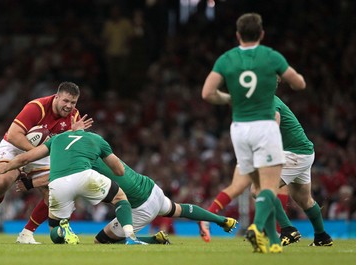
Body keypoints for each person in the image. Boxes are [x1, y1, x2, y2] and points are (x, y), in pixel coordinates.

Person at [201, 13, 306, 253]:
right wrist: (291, 78)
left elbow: (207, 93)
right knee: (268, 187)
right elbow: (299, 83)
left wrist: (229, 98)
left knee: (248, 186)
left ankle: (272, 242)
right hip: (264, 127)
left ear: (237, 35)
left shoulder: (226, 59)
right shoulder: (271, 57)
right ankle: (257, 228)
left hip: (239, 129)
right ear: (262, 34)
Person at [199, 95, 333, 247]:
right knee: (304, 199)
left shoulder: (266, 101)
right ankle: (322, 236)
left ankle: (287, 229)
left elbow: (273, 124)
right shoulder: (259, 102)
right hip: (302, 151)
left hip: (294, 154)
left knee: (259, 189)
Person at [0, 81, 92, 244]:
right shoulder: (37, 107)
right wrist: (34, 153)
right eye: (65, 101)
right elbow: (14, 135)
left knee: (56, 192)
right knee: (3, 181)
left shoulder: (74, 118)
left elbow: (70, 150)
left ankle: (26, 233)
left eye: (73, 102)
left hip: (42, 152)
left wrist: (76, 135)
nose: (69, 106)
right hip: (16, 146)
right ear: (56, 97)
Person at [0, 129, 147, 245]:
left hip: (58, 185)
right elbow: (119, 170)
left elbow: (26, 158)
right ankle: (130, 237)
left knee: (53, 229)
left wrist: (6, 167)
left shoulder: (56, 140)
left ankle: (63, 232)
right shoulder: (95, 139)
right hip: (85, 177)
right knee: (120, 198)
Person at [91, 157, 238, 244]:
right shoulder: (98, 145)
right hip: (151, 188)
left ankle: (153, 240)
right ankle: (223, 220)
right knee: (178, 209)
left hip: (141, 206)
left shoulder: (82, 163)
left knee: (102, 240)